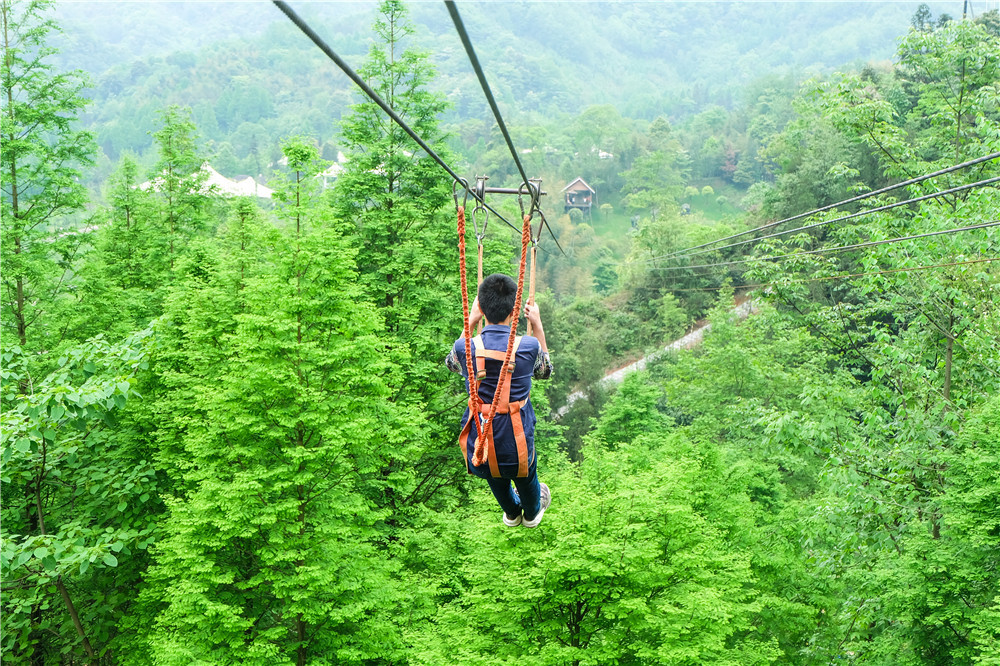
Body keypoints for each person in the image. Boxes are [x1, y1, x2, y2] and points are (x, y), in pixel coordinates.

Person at [445, 273, 553, 527]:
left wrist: (471, 321)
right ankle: (531, 511)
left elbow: (452, 363)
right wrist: (537, 325)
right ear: (515, 311)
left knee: (494, 473)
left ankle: (512, 512)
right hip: (517, 447)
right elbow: (545, 371)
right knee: (526, 474)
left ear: (482, 308)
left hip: (477, 449)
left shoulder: (466, 348)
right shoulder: (528, 346)